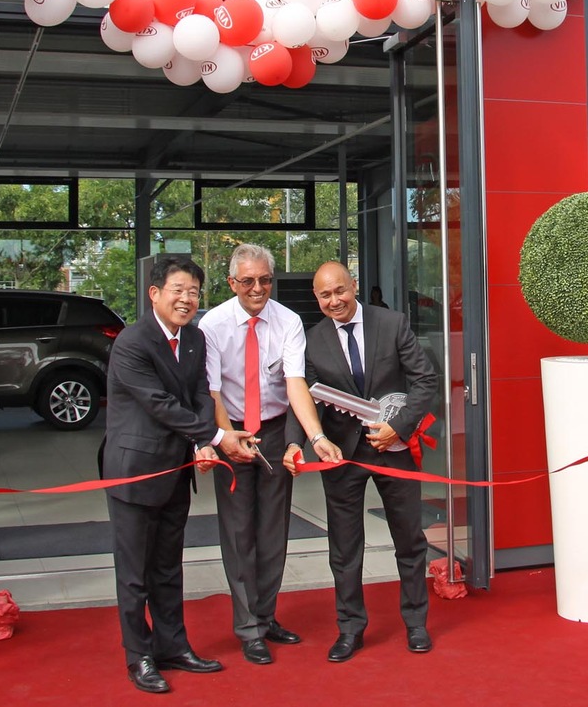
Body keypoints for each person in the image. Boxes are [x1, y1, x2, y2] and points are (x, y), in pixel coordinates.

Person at [102, 256, 254, 694]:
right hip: (133, 471)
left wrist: (204, 441)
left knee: (169, 567)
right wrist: (220, 436)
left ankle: (173, 646)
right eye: (179, 290)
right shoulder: (132, 342)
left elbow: (199, 396)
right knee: (135, 572)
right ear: (155, 293)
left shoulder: (195, 338)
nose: (187, 299)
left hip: (176, 470)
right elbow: (160, 405)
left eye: (194, 292)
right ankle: (140, 656)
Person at [282, 260, 438, 662]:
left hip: (395, 450)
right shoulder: (312, 340)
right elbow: (305, 396)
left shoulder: (392, 323)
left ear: (354, 284)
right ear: (316, 298)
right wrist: (296, 441)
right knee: (345, 547)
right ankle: (350, 629)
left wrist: (399, 428)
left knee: (409, 539)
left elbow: (425, 380)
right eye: (324, 295)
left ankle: (416, 624)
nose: (334, 301)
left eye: (340, 291)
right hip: (342, 454)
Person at [197, 244, 332, 666]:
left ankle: (267, 615)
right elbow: (212, 390)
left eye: (266, 280)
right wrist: (223, 438)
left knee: (274, 530)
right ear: (232, 283)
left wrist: (313, 436)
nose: (258, 289)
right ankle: (248, 628)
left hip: (274, 431)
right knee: (239, 533)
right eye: (249, 281)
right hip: (232, 428)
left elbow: (295, 384)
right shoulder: (213, 324)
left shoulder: (289, 320)